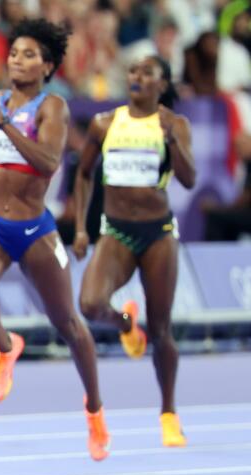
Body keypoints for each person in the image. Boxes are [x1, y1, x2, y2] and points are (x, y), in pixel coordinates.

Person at [0, 18, 110, 462]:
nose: (18, 60)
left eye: (29, 55)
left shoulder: (50, 107)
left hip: (36, 230)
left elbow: (48, 161)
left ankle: (94, 408)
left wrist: (4, 122)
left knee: (69, 325)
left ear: (48, 65)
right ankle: (5, 346)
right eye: (14, 52)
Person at [73, 56, 196, 447]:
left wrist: (171, 139)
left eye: (147, 73)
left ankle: (168, 413)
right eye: (132, 71)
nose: (137, 77)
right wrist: (79, 227)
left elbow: (190, 180)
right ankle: (126, 325)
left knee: (162, 330)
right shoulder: (105, 123)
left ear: (162, 84)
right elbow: (84, 173)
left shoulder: (174, 125)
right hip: (117, 233)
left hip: (158, 234)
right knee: (90, 305)